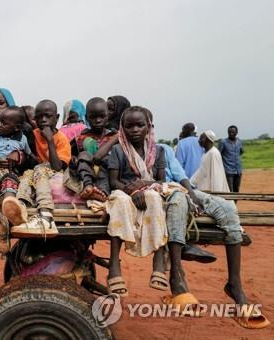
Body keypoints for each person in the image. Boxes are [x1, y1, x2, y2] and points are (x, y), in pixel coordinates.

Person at [159, 132, 269, 328]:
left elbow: (181, 175)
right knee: (178, 204)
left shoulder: (164, 149)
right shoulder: (126, 151)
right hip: (159, 194)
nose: (143, 131)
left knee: (228, 208)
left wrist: (192, 194)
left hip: (179, 188)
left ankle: (235, 285)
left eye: (147, 126)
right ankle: (177, 277)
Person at [105, 106, 168, 297]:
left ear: (148, 127)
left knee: (155, 197)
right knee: (120, 202)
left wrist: (144, 185)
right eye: (129, 126)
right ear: (122, 128)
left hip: (149, 191)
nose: (135, 130)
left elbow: (161, 180)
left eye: (140, 125)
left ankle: (159, 260)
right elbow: (113, 181)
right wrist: (132, 190)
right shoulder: (117, 150)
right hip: (124, 192)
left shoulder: (159, 151)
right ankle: (114, 266)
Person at [2, 100, 71, 237]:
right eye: (39, 116)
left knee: (39, 168)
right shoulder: (33, 134)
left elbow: (57, 167)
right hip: (37, 174)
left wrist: (50, 140)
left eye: (48, 116)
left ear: (56, 118)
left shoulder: (61, 139)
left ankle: (46, 216)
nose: (43, 120)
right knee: (27, 173)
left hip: (56, 174)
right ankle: (20, 206)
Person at [69, 97, 117, 201]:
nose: (98, 120)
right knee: (83, 155)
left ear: (108, 116)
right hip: (87, 174)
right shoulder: (80, 138)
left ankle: (102, 193)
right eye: (93, 117)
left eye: (102, 116)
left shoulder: (115, 136)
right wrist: (73, 158)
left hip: (109, 174)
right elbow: (70, 154)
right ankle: (89, 187)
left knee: (109, 159)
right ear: (86, 118)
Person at [218, 125, 244, 192]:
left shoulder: (239, 141)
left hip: (238, 170)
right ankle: (230, 202)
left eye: (233, 132)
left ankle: (235, 202)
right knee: (230, 189)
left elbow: (241, 152)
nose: (231, 134)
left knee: (236, 189)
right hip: (228, 170)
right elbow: (218, 155)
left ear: (236, 133)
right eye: (229, 132)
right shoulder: (223, 142)